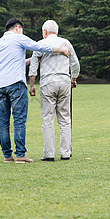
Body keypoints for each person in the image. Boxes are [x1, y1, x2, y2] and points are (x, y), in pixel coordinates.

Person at [0, 18, 70, 163]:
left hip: (0, 86)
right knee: (19, 120)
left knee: (3, 122)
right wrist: (60, 49)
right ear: (17, 28)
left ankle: (7, 155)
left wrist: (33, 60)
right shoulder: (18, 38)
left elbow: (15, 62)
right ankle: (21, 155)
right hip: (15, 84)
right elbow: (39, 46)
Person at [28, 20, 80, 161]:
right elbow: (75, 64)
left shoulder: (40, 44)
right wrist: (73, 79)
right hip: (64, 82)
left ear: (45, 31)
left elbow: (33, 66)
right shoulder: (66, 43)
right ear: (56, 31)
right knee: (64, 119)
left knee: (48, 119)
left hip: (48, 82)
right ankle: (65, 153)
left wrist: (32, 85)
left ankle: (49, 154)